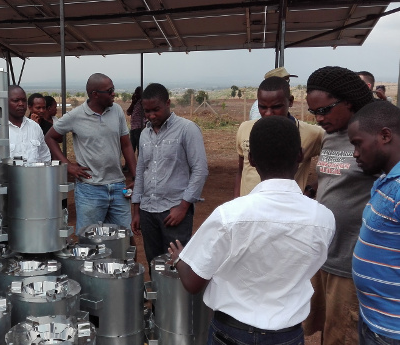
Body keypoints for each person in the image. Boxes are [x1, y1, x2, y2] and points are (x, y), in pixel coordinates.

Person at [169, 116, 335, 345]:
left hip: (232, 333)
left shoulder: (230, 216)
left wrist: (179, 259)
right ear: (299, 155)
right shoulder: (323, 219)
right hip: (288, 335)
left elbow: (193, 283)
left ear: (252, 159)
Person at [302, 66, 376, 345]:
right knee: (322, 327)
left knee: (342, 334)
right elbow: (328, 181)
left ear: (349, 101)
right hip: (323, 253)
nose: (320, 118)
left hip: (351, 258)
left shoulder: (373, 138)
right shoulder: (330, 135)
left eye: (325, 110)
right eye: (314, 113)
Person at [45, 73, 137, 235]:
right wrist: (68, 166)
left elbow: (126, 145)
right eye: (110, 90)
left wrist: (137, 177)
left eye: (113, 89)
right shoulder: (75, 116)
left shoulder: (116, 110)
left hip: (118, 186)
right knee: (89, 240)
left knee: (125, 238)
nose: (113, 93)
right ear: (95, 94)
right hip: (90, 189)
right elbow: (50, 137)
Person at [130, 83, 208, 269]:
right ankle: (158, 299)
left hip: (174, 211)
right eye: (147, 111)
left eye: (156, 110)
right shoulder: (144, 135)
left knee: (176, 265)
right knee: (154, 264)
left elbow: (200, 169)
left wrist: (183, 206)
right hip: (148, 211)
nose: (151, 116)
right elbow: (141, 171)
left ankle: (178, 299)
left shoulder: (187, 129)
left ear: (168, 103)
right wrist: (136, 210)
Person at [347, 101, 400, 345]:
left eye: (358, 143)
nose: (355, 153)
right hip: (374, 320)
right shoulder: (386, 181)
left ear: (385, 135)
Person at [235, 76, 324, 197]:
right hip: (249, 211)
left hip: (288, 210)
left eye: (276, 107)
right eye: (262, 107)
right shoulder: (245, 129)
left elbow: (340, 157)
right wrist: (236, 201)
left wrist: (311, 189)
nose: (268, 113)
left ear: (290, 101)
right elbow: (241, 170)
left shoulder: (312, 134)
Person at [8, 85, 51, 162]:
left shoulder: (35, 127)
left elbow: (45, 157)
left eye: (24, 100)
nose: (21, 104)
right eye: (16, 100)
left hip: (34, 174)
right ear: (5, 102)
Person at [127, 86, 146, 155]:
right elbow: (128, 112)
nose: (136, 94)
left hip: (139, 127)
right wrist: (133, 102)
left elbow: (146, 114)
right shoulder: (136, 103)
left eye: (138, 93)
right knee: (131, 147)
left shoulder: (143, 102)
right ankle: (128, 165)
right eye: (135, 93)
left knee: (139, 147)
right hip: (133, 128)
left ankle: (140, 165)